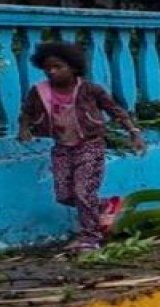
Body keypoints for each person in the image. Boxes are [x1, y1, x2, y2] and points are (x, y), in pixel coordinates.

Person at [17, 42, 146, 251]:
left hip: (90, 145)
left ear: (74, 67)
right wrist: (24, 129)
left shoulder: (90, 90)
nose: (52, 71)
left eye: (58, 67)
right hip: (62, 148)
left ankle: (90, 238)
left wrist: (134, 132)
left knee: (82, 192)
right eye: (47, 68)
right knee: (64, 195)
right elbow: (26, 111)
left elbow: (115, 110)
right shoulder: (39, 91)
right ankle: (104, 205)